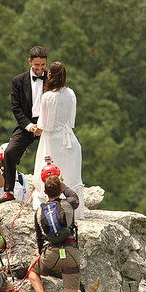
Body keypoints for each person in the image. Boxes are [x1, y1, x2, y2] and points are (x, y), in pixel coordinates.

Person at [31, 61, 85, 219]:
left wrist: (34, 129)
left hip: (53, 142)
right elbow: (71, 121)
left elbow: (45, 125)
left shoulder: (48, 96)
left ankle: (49, 211)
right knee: (71, 176)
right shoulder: (70, 93)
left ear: (50, 75)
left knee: (49, 172)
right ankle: (73, 212)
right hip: (70, 141)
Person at [0, 46, 48, 204]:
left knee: (53, 154)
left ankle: (55, 190)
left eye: (43, 65)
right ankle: (9, 191)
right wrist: (30, 127)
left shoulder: (52, 79)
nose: (40, 69)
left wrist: (43, 125)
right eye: (36, 65)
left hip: (47, 124)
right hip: (27, 124)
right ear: (30, 62)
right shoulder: (18, 81)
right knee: (10, 152)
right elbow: (16, 108)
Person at [28, 173, 81, 292]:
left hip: (51, 256)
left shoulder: (39, 211)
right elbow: (74, 195)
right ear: (60, 190)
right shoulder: (69, 204)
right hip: (71, 254)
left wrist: (39, 253)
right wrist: (61, 183)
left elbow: (39, 238)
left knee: (32, 271)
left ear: (45, 192)